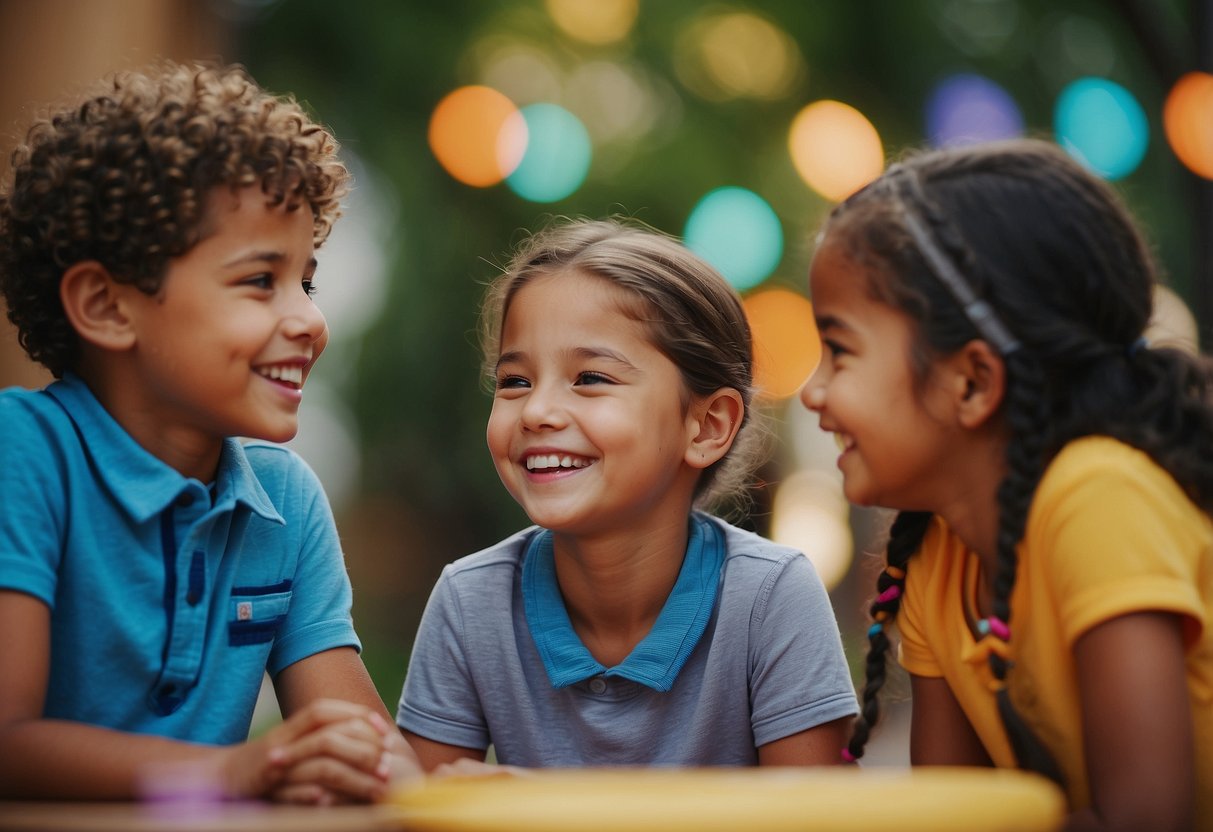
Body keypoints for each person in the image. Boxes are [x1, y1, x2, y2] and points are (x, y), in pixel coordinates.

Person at [0, 61, 419, 803]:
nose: (309, 319)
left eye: (307, 281)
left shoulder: (284, 499)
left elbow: (361, 751)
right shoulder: (24, 453)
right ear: (106, 306)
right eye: (261, 280)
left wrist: (457, 792)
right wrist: (227, 774)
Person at [800, 138, 1212, 831]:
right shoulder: (938, 555)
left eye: (838, 351)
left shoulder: (1096, 496)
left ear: (972, 381)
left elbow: (1148, 815)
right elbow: (956, 813)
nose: (811, 392)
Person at [397, 217, 858, 770]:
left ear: (708, 426)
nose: (538, 411)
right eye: (515, 381)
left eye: (590, 378)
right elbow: (419, 814)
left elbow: (814, 821)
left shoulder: (769, 598)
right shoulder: (470, 603)